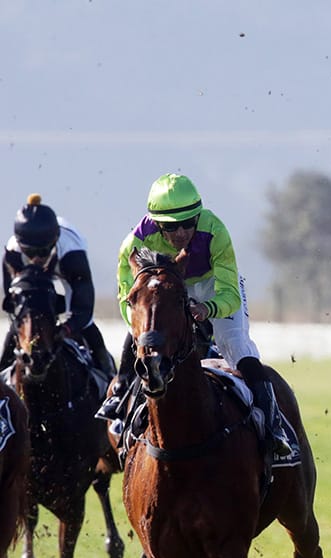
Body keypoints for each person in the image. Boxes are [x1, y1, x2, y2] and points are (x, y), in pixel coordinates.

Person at [103, 173, 290, 457]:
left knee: (236, 346)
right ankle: (122, 407)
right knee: (147, 342)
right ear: (156, 223)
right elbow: (127, 299)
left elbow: (229, 295)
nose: (180, 233)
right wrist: (143, 330)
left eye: (188, 223)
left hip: (214, 284)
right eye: (170, 226)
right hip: (166, 286)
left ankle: (274, 429)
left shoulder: (216, 231)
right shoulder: (134, 244)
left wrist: (206, 308)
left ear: (198, 217)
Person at [2, 194, 114, 374]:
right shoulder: (13, 254)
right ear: (21, 246)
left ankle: (109, 374)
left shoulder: (73, 253)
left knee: (86, 325)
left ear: (54, 241)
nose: (38, 258)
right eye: (30, 252)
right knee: (19, 324)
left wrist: (65, 329)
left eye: (44, 251)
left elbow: (83, 309)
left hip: (65, 265)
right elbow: (12, 307)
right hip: (30, 278)